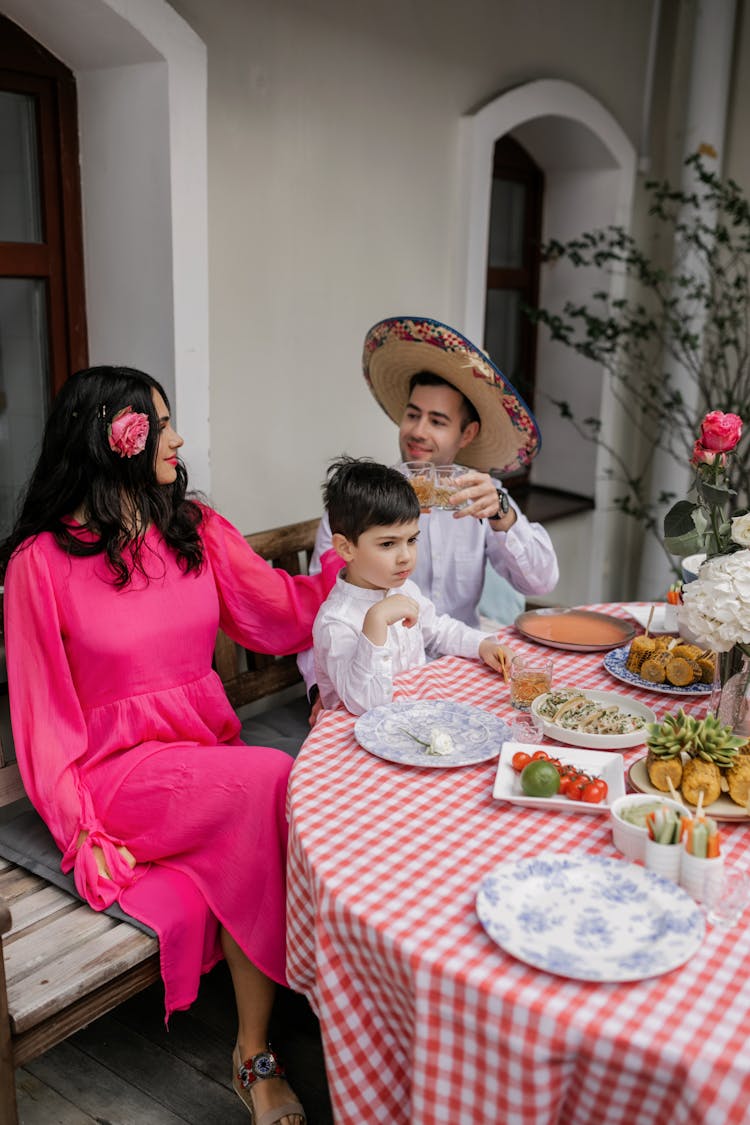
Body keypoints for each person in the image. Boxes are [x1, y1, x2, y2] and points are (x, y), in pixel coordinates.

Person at [0, 366, 341, 1125]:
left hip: (199, 757)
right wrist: (77, 827)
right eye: (160, 420)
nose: (177, 437)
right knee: (268, 780)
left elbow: (277, 616)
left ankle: (307, 1012)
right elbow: (41, 714)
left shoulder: (193, 529)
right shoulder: (40, 566)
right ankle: (260, 1054)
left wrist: (344, 572)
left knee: (285, 782)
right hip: (113, 777)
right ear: (114, 436)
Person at [300, 315, 559, 713]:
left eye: (437, 421)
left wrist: (504, 515)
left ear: (466, 434)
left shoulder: (482, 496)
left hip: (457, 671)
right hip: (375, 684)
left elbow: (542, 581)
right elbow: (319, 609)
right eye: (412, 414)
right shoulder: (366, 506)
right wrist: (320, 691)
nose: (418, 431)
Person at [312, 457, 512, 716]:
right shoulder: (336, 622)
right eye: (388, 544)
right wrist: (376, 622)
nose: (405, 556)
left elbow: (438, 629)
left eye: (412, 540)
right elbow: (365, 705)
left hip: (413, 713)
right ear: (346, 548)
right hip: (358, 736)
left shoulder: (403, 589)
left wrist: (482, 645)